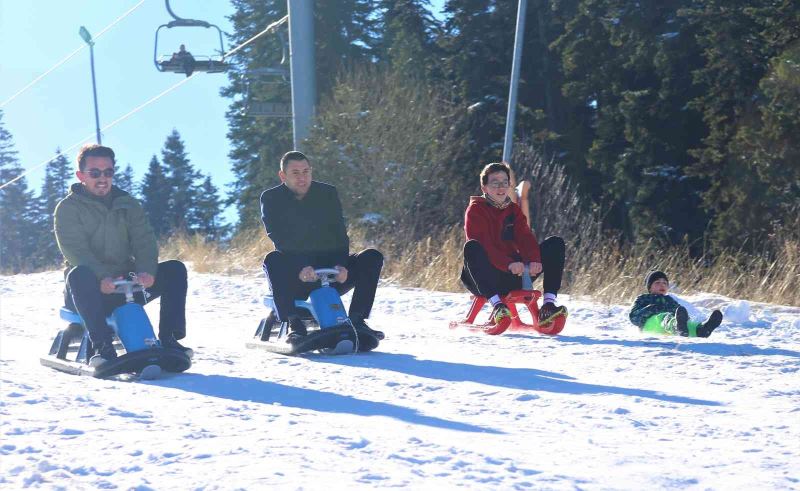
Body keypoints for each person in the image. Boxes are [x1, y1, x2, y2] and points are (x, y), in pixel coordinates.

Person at [54, 144, 192, 366]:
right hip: (90, 292)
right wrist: (101, 278)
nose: (102, 178)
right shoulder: (68, 208)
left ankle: (169, 339)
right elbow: (75, 250)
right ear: (81, 175)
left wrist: (147, 271)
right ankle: (103, 349)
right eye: (95, 173)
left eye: (108, 172)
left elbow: (144, 241)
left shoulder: (128, 204)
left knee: (175, 269)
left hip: (126, 288)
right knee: (79, 274)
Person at [260, 151, 385, 343]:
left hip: (331, 274)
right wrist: (301, 267)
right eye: (295, 173)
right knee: (273, 259)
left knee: (372, 256)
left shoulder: (327, 193)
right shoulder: (271, 198)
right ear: (283, 176)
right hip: (298, 275)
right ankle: (295, 324)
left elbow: (338, 234)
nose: (302, 177)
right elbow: (280, 238)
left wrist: (340, 266)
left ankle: (357, 320)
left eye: (306, 171)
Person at [460, 162, 567, 326]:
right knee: (472, 247)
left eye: (504, 182)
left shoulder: (513, 210)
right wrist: (508, 264)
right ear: (484, 187)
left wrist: (534, 260)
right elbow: (486, 245)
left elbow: (525, 236)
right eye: (495, 183)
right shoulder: (475, 210)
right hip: (483, 277)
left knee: (555, 244)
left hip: (513, 274)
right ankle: (498, 307)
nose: (501, 187)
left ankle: (548, 306)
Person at [629, 271, 723, 337]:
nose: (662, 285)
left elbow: (681, 316)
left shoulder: (670, 300)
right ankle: (677, 328)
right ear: (650, 287)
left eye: (665, 283)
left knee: (684, 324)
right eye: (657, 283)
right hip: (649, 327)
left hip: (668, 329)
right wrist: (651, 309)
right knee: (663, 317)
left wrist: (686, 321)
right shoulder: (643, 298)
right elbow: (633, 317)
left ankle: (701, 330)